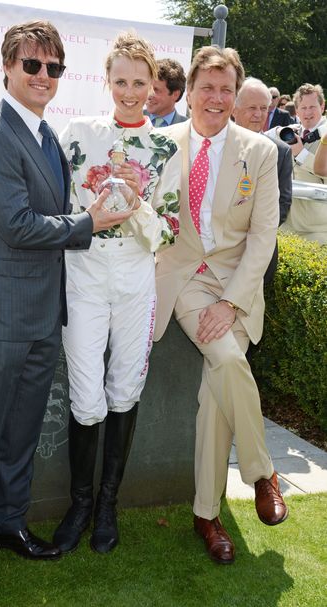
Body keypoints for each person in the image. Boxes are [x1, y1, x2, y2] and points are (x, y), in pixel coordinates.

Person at [0, 20, 132, 602]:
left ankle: (5, 521)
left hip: (46, 313)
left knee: (21, 431)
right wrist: (90, 222)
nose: (44, 76)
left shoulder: (46, 135)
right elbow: (18, 225)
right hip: (1, 315)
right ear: (7, 67)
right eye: (32, 65)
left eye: (54, 68)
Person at [154, 46, 288, 565]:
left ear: (236, 97)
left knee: (216, 396)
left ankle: (206, 515)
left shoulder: (260, 152)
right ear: (188, 93)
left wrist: (232, 303)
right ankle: (263, 472)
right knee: (229, 361)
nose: (216, 98)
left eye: (225, 89)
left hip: (238, 285)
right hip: (184, 277)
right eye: (206, 88)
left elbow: (262, 239)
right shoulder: (160, 144)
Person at [53, 32, 181, 556]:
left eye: (139, 82)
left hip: (134, 280)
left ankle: (107, 504)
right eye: (120, 81)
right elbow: (55, 209)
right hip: (82, 276)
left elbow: (167, 231)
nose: (130, 92)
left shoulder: (166, 146)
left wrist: (143, 197)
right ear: (106, 81)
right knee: (85, 395)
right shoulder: (76, 132)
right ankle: (78, 503)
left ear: (154, 84)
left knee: (124, 388)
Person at [233, 77, 292, 284]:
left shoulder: (281, 151)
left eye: (263, 108)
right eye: (251, 108)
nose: (258, 114)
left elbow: (283, 205)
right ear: (234, 109)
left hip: (259, 253)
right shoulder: (216, 145)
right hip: (215, 252)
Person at [280, 83, 327, 243]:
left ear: (322, 106)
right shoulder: (290, 134)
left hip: (318, 230)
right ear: (296, 110)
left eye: (312, 107)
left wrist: (301, 154)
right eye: (303, 107)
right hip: (287, 226)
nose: (307, 113)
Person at [145, 57, 187, 126]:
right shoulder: (131, 120)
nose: (149, 95)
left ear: (175, 94)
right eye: (148, 88)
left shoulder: (188, 129)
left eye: (156, 90)